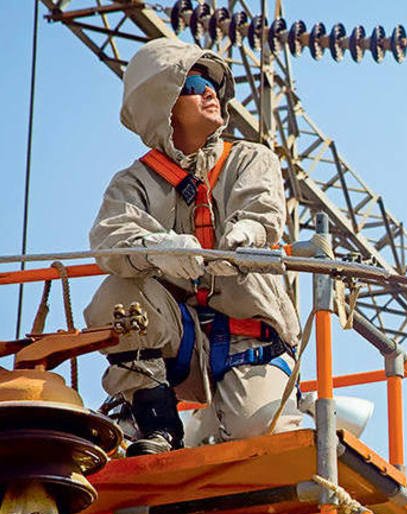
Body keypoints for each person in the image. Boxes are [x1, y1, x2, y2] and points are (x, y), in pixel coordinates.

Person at [84, 38, 302, 456]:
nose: (209, 92)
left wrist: (247, 236)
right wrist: (157, 248)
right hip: (178, 346)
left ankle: (251, 413)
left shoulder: (249, 159)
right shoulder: (134, 184)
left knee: (259, 442)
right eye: (193, 82)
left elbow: (262, 212)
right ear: (162, 106)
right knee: (116, 293)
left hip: (248, 343)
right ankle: (157, 423)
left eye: (212, 84)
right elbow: (109, 240)